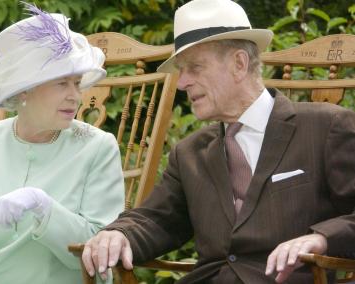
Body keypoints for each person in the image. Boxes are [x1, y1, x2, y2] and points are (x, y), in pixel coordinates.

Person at [81, 0, 355, 283]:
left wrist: (321, 239)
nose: (182, 82)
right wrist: (117, 234)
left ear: (239, 63)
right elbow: (157, 220)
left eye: (194, 68)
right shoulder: (188, 154)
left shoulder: (327, 127)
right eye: (180, 70)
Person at [0, 3, 124, 283]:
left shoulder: (98, 148)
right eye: (61, 84)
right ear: (23, 91)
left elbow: (99, 249)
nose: (75, 96)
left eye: (77, 83)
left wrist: (45, 208)